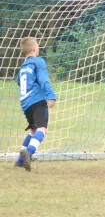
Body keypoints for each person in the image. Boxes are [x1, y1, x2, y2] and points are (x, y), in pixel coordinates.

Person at [15, 37, 57, 171]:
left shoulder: (23, 66)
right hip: (37, 101)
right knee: (42, 129)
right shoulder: (38, 62)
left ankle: (20, 161)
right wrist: (51, 96)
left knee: (33, 131)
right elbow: (44, 80)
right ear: (34, 48)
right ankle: (29, 151)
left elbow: (18, 81)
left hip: (25, 103)